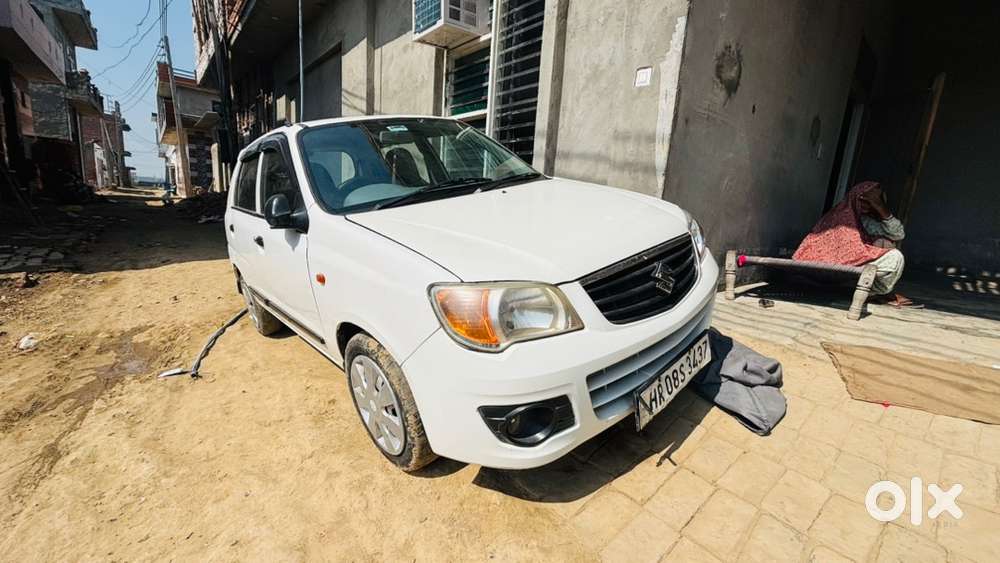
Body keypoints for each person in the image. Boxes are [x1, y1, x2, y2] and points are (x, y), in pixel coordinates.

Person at [792, 181, 917, 307]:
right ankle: (875, 293)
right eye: (864, 200)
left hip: (848, 264)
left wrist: (880, 207)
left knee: (888, 247)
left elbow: (898, 234)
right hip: (825, 266)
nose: (868, 205)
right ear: (854, 197)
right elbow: (843, 249)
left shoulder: (868, 221)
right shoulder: (841, 215)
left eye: (874, 201)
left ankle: (874, 293)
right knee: (892, 254)